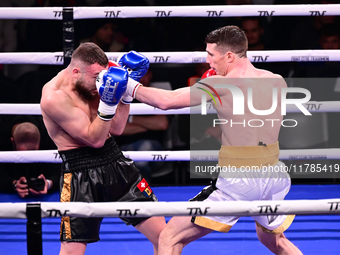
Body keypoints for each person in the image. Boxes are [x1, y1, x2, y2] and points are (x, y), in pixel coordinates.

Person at [121, 26, 303, 254]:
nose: (208, 61)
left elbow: (167, 101)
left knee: (169, 238)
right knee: (274, 241)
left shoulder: (219, 86)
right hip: (273, 176)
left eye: (211, 55)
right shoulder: (277, 81)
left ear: (229, 56)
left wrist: (129, 86)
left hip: (239, 181)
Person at [40, 42, 166, 255]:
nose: (99, 82)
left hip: (115, 161)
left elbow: (116, 128)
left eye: (102, 74)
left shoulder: (102, 76)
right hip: (81, 174)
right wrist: (108, 102)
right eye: (95, 77)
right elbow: (94, 139)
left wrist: (125, 93)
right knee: (72, 251)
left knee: (165, 237)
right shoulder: (54, 97)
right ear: (76, 72)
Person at [0, 122, 60, 198]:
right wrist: (13, 184)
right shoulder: (2, 133)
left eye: (33, 152)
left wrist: (49, 183)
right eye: (21, 155)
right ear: (12, 142)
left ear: (39, 144)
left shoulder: (51, 134)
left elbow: (63, 170)